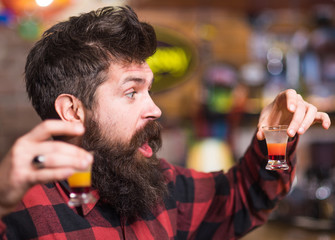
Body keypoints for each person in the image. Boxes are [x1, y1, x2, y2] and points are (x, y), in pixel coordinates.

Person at [0, 5, 331, 240]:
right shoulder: (16, 211)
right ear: (72, 111)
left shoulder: (161, 186)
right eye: (132, 92)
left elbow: (244, 198)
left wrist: (275, 137)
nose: (155, 109)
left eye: (150, 89)